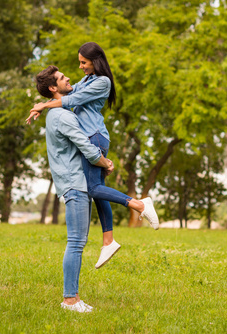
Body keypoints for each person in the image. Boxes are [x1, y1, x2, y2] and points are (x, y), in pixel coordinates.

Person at [27, 42, 159, 269]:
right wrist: (44, 104)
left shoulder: (102, 82)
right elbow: (63, 93)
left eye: (83, 62)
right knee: (98, 191)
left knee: (92, 188)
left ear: (95, 61)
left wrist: (43, 105)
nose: (80, 67)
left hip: (94, 137)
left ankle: (139, 204)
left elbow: (71, 100)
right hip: (90, 137)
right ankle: (108, 240)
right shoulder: (86, 81)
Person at [37, 65, 112, 312]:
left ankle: (72, 298)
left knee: (76, 242)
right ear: (52, 87)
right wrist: (105, 162)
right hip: (75, 184)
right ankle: (70, 300)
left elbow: (79, 91)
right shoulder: (64, 116)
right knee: (76, 242)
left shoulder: (59, 112)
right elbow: (87, 148)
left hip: (72, 182)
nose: (68, 77)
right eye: (61, 78)